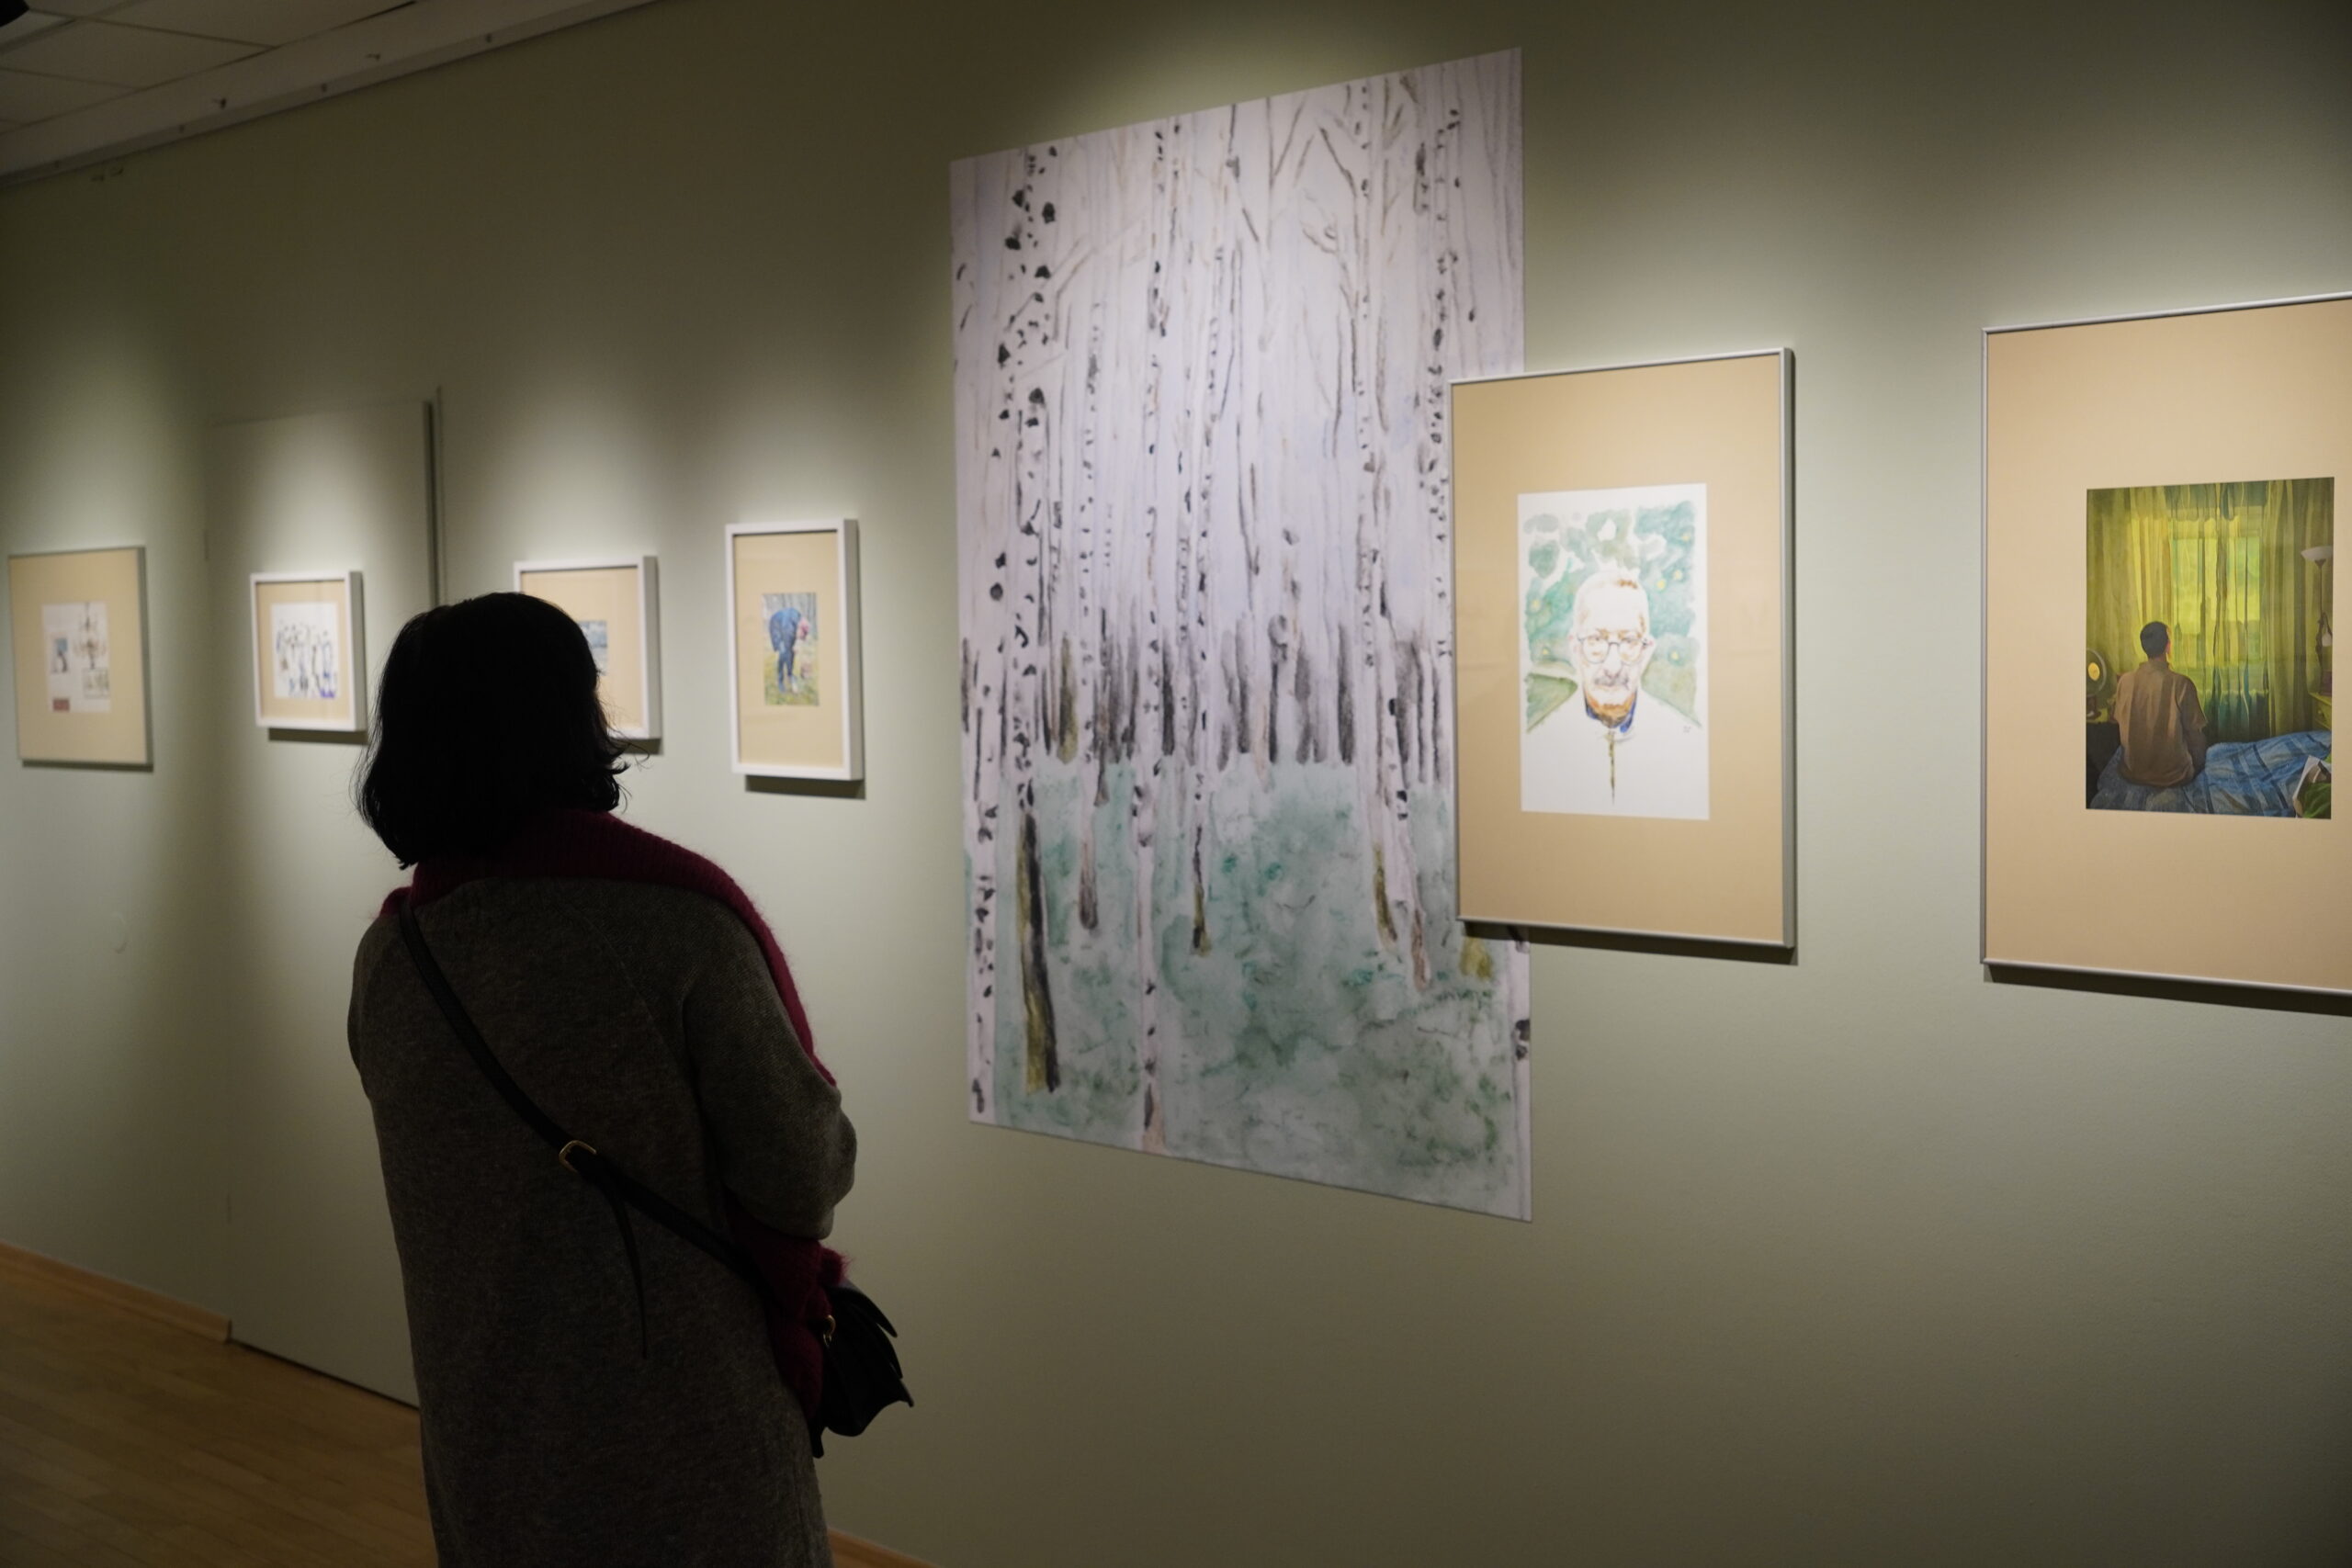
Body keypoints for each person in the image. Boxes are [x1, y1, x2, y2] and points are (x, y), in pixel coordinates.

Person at [347, 592, 855, 1568]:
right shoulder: (676, 929)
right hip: (685, 1439)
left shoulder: (394, 960)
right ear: (572, 719)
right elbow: (802, 1171)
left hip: (490, 1437)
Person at [1521, 570, 1708, 819]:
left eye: (1629, 641)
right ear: (1575, 648)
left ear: (1646, 651)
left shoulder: (1686, 744)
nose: (1612, 666)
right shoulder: (1537, 747)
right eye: (1596, 640)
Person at [2114, 619, 2208, 787]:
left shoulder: (2124, 682)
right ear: (2168, 646)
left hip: (2132, 774)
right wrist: (2199, 765)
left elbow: (2119, 723)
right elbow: (2196, 736)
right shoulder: (2182, 684)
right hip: (2174, 777)